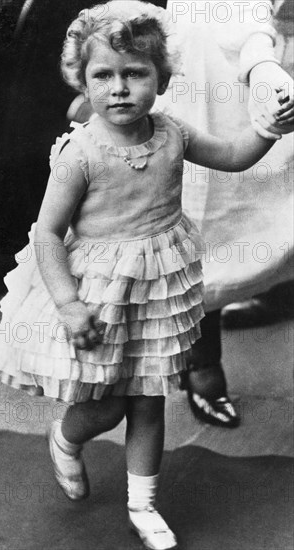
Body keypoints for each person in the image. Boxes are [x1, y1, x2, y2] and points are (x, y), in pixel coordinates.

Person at [0, 1, 289, 548]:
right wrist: (70, 304)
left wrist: (267, 127)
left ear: (162, 79)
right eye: (104, 75)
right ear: (82, 81)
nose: (119, 88)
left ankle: (143, 504)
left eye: (135, 74)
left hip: (157, 285)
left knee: (148, 395)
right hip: (98, 292)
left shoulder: (172, 132)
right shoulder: (81, 153)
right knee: (106, 401)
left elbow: (236, 155)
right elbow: (48, 233)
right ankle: (67, 435)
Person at [156, 0, 294, 427]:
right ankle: (201, 362)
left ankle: (272, 292)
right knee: (210, 220)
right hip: (216, 74)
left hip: (276, 53)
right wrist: (261, 65)